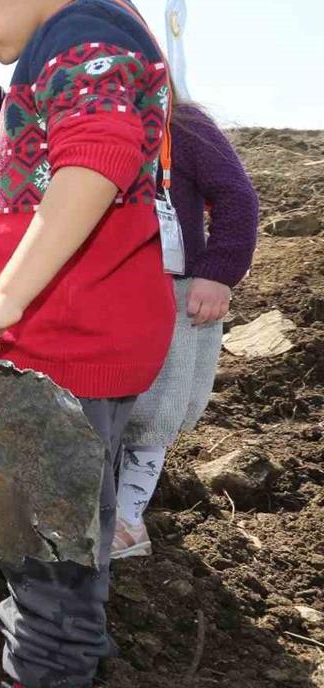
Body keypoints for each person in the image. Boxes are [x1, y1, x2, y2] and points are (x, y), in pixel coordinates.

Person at [0, 0, 175, 686]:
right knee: (56, 557)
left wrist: (5, 303)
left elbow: (96, 158)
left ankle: (51, 656)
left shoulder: (83, 30)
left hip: (68, 355)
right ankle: (66, 644)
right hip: (63, 353)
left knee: (50, 573)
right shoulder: (65, 43)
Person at [113, 98, 260, 558]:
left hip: (175, 296)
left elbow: (237, 196)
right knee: (103, 410)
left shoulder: (184, 124)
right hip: (105, 295)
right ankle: (100, 510)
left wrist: (218, 273)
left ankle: (127, 522)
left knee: (155, 412)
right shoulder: (78, 122)